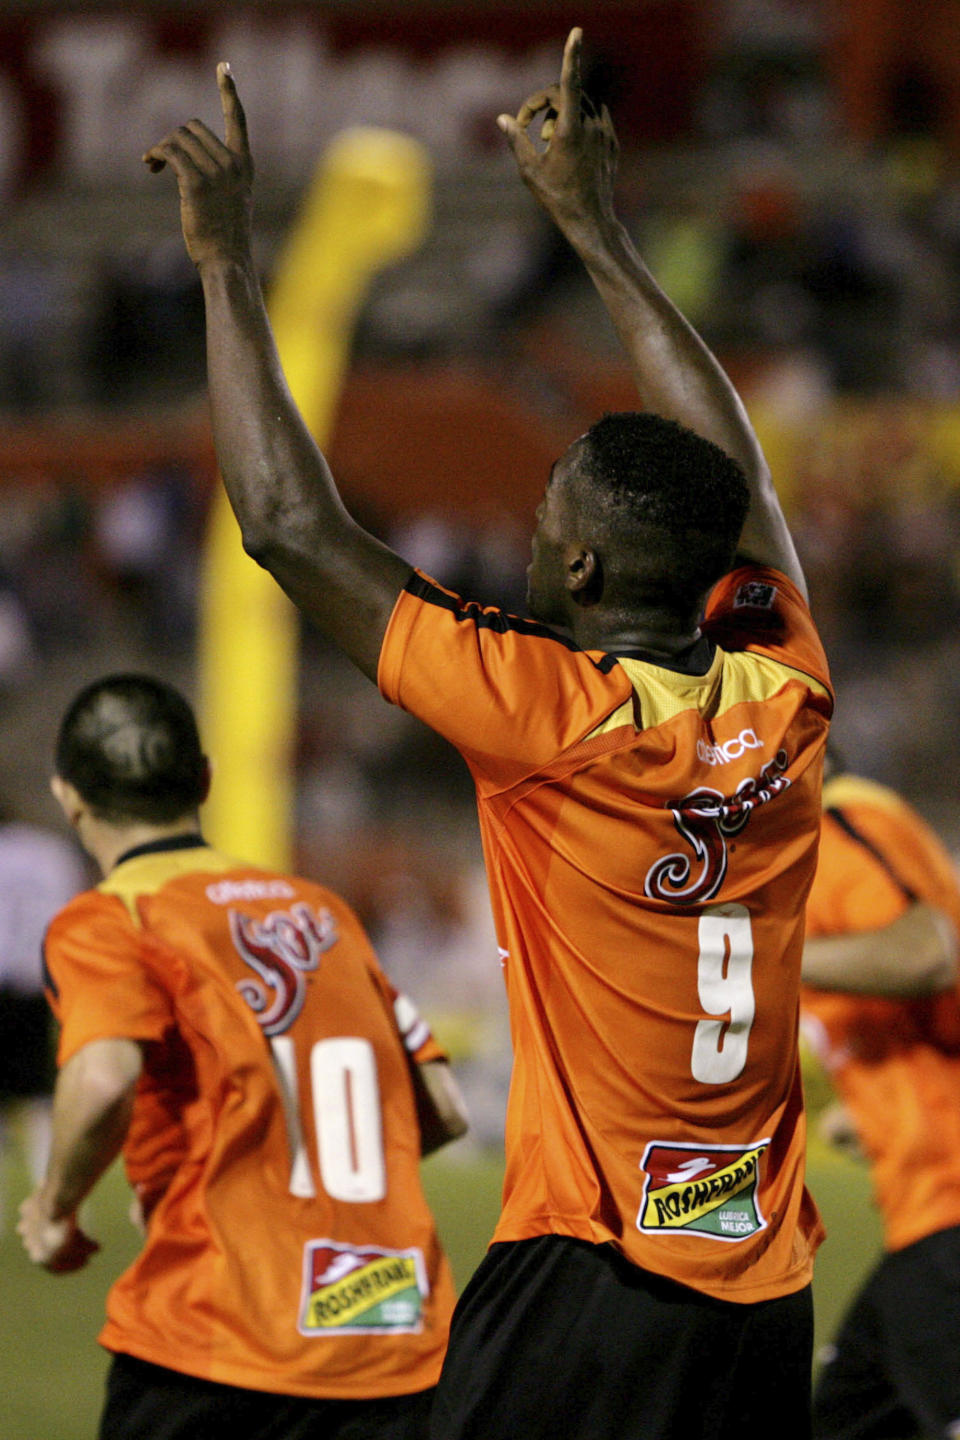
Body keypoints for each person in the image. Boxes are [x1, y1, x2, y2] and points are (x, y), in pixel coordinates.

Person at [144, 27, 833, 1440]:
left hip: (594, 1276)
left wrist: (222, 259)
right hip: (764, 1293)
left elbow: (286, 528)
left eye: (543, 530)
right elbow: (737, 475)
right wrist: (595, 224)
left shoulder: (548, 719)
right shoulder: (786, 688)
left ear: (580, 575)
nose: (528, 544)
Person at [17, 673, 466, 1440]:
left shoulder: (112, 918)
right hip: (393, 1338)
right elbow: (444, 1107)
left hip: (224, 1342)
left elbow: (102, 1077)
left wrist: (53, 1208)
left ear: (68, 796)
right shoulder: (322, 911)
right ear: (205, 780)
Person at [801, 756, 960, 1440]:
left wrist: (750, 951)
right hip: (925, 1207)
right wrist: (860, 1115)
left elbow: (930, 952)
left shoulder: (835, 822)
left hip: (948, 1204)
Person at [0, 800, 87, 1227]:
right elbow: (73, 911)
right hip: (38, 984)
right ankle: (56, 1203)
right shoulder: (49, 852)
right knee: (40, 1100)